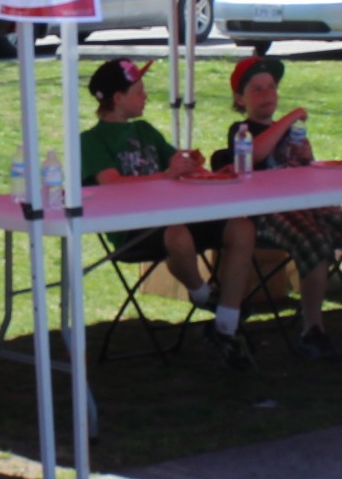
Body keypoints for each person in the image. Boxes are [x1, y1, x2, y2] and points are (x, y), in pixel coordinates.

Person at [80, 57, 261, 370]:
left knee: (241, 228)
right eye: (139, 91)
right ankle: (205, 297)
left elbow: (177, 166)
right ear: (118, 99)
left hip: (176, 216)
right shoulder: (91, 140)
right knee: (177, 235)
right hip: (132, 229)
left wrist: (201, 169)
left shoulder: (145, 130)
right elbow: (112, 184)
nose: (146, 96)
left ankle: (225, 327)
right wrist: (167, 175)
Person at [221, 54, 342, 359]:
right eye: (257, 89)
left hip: (311, 204)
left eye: (271, 87)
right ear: (240, 97)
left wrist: (306, 155)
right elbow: (257, 153)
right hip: (270, 211)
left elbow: (305, 171)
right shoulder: (241, 131)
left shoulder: (288, 131)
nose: (267, 95)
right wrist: (290, 118)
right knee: (314, 242)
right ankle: (312, 328)